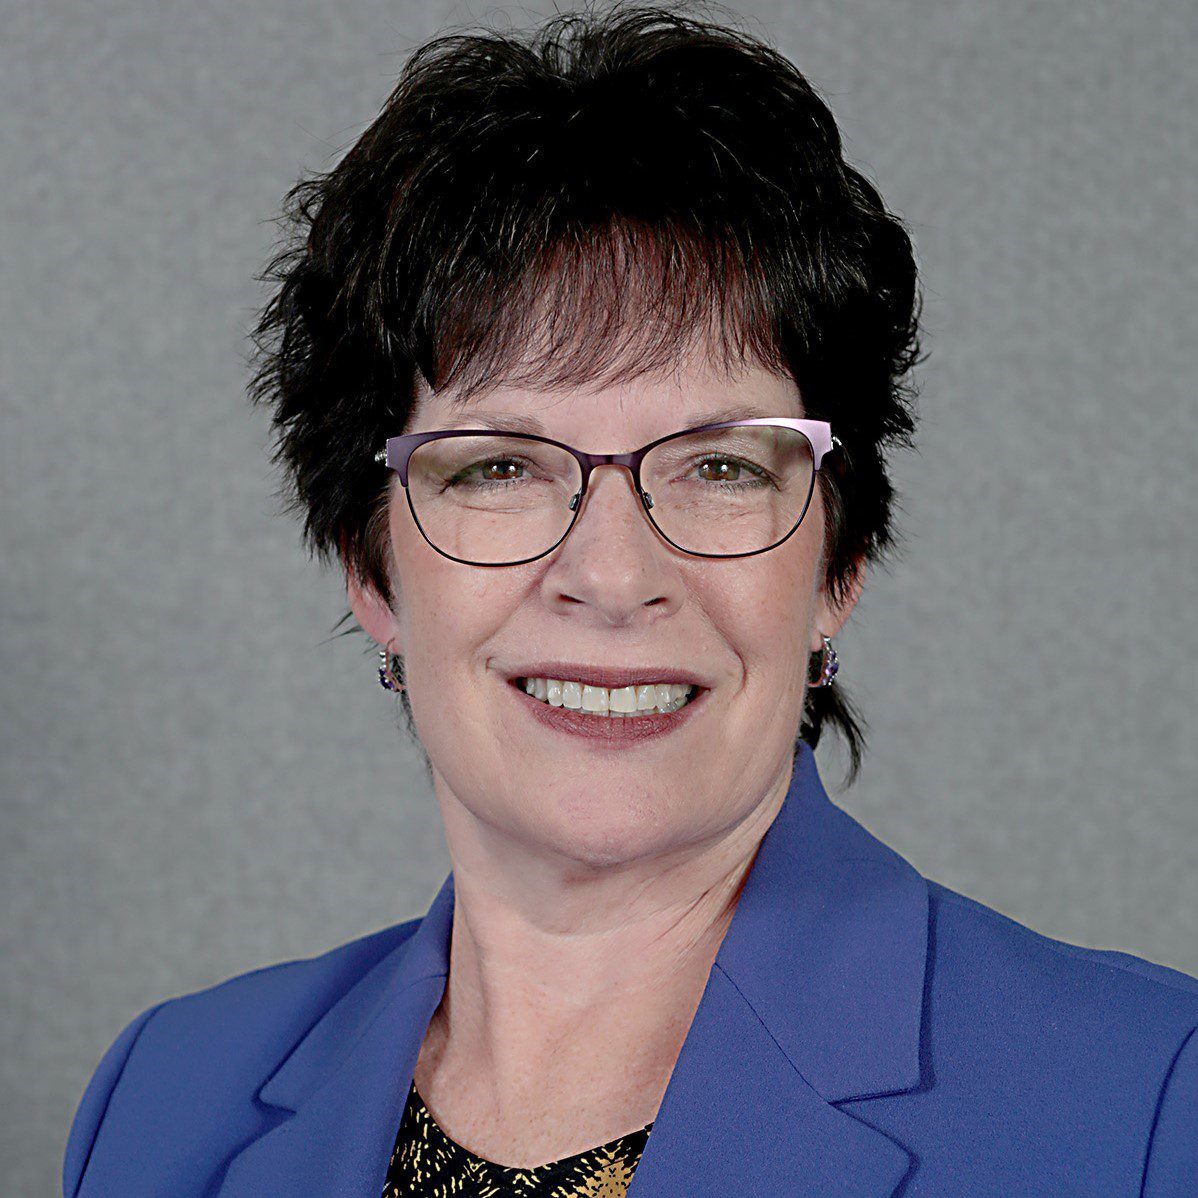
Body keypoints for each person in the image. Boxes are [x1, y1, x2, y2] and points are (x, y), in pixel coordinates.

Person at [63, 4, 1198, 1196]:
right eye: (499, 463)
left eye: (718, 465)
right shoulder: (166, 1094)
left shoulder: (1146, 1103)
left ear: (839, 565)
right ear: (368, 562)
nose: (610, 576)